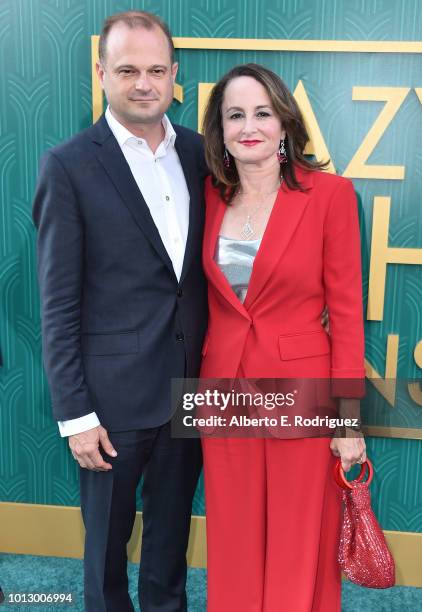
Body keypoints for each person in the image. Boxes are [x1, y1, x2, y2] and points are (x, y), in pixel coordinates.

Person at [32, 11, 207, 612]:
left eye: (156, 70)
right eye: (128, 69)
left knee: (169, 550)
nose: (143, 83)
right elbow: (56, 303)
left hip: (189, 392)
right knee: (106, 559)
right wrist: (75, 414)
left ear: (174, 76)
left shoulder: (201, 155)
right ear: (102, 72)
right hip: (109, 406)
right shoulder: (70, 165)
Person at [200, 63, 366, 612]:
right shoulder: (206, 197)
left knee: (300, 539)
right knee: (233, 538)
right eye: (235, 115)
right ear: (219, 130)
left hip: (302, 391)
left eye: (262, 113)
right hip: (223, 391)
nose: (250, 126)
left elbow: (346, 316)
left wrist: (347, 421)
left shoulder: (330, 196)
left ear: (285, 124)